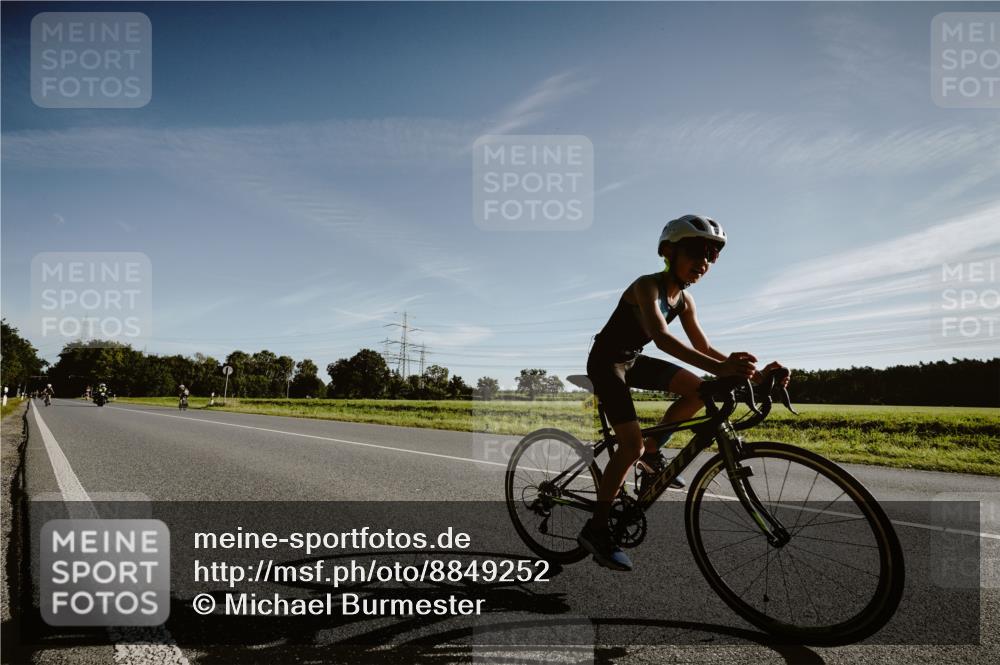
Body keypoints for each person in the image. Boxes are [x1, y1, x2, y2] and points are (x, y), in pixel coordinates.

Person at [578, 214, 790, 571]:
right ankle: (596, 529)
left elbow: (703, 347)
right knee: (629, 446)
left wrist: (753, 376)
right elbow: (662, 338)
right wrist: (723, 368)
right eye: (696, 252)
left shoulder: (685, 301)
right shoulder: (646, 286)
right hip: (606, 361)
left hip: (633, 359)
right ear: (668, 252)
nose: (704, 262)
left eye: (711, 256)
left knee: (701, 392)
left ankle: (652, 454)